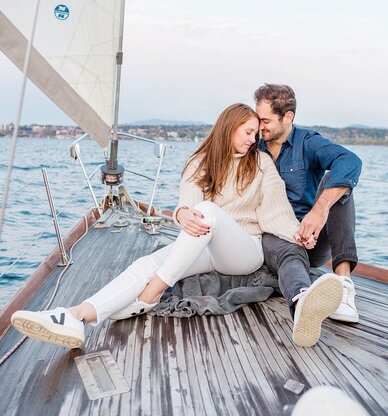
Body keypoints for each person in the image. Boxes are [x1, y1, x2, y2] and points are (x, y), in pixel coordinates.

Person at [11, 103, 343, 349]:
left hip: (244, 250)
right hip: (203, 241)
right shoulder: (199, 162)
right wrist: (180, 213)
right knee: (146, 262)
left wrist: (298, 235)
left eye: (256, 133)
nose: (252, 140)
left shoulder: (261, 164)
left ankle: (151, 293)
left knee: (207, 212)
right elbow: (187, 203)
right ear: (229, 128)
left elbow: (276, 212)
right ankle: (75, 316)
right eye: (247, 132)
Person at [254, 83, 362, 323]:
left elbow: (350, 160)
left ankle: (344, 285)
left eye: (266, 120)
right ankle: (303, 302)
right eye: (258, 119)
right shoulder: (253, 146)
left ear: (288, 116)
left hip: (310, 238)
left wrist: (319, 210)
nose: (260, 127)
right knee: (286, 248)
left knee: (338, 185)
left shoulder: (307, 142)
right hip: (273, 235)